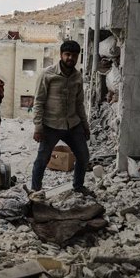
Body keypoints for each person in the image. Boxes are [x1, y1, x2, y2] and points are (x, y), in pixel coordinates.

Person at [30, 40, 94, 196]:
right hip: (50, 125)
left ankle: (78, 186)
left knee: (83, 156)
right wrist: (38, 127)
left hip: (73, 125)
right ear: (61, 55)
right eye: (67, 54)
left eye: (74, 55)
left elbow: (79, 104)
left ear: (78, 57)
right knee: (42, 159)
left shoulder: (77, 77)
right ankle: (35, 191)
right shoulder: (48, 74)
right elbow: (38, 102)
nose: (70, 58)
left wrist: (85, 126)